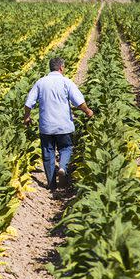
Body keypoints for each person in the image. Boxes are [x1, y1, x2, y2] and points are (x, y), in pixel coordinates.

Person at [22, 56, 93, 191]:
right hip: (63, 125)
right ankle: (62, 167)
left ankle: (51, 184)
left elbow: (28, 103)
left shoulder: (40, 82)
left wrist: (27, 117)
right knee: (65, 148)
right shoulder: (66, 82)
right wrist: (87, 111)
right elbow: (78, 101)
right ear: (61, 68)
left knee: (48, 152)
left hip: (46, 126)